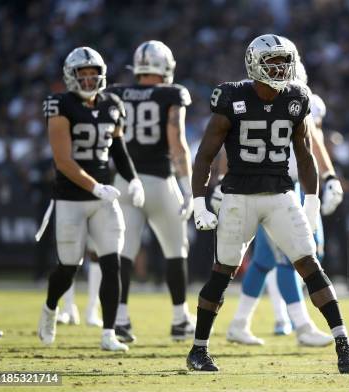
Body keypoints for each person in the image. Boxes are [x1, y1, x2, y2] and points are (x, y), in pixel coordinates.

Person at [186, 34, 349, 373]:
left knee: (310, 265)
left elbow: (306, 155)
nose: (281, 68)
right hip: (238, 197)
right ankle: (198, 350)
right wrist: (200, 202)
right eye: (273, 61)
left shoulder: (297, 97)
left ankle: (343, 343)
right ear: (254, 63)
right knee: (223, 272)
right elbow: (205, 156)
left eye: (285, 61)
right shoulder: (231, 96)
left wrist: (311, 199)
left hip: (280, 195)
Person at [222, 51, 343, 347]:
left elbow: (313, 143)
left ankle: (240, 323)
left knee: (268, 260)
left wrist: (327, 177)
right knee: (293, 256)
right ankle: (300, 325)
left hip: (292, 185)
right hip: (274, 187)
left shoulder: (301, 99)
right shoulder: (258, 97)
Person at [37, 46, 145, 352]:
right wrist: (95, 186)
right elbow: (63, 160)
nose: (87, 79)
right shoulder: (59, 105)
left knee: (112, 264)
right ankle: (50, 307)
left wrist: (134, 179)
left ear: (102, 74)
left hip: (103, 201)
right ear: (71, 77)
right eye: (81, 74)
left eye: (92, 73)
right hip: (71, 197)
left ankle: (108, 333)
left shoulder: (113, 103)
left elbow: (119, 150)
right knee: (68, 268)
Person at [105, 40, 195, 342]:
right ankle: (181, 319)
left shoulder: (116, 93)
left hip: (124, 182)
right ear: (165, 66)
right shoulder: (171, 93)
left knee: (124, 252)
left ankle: (120, 319)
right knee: (175, 251)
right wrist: (188, 187)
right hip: (159, 181)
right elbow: (176, 141)